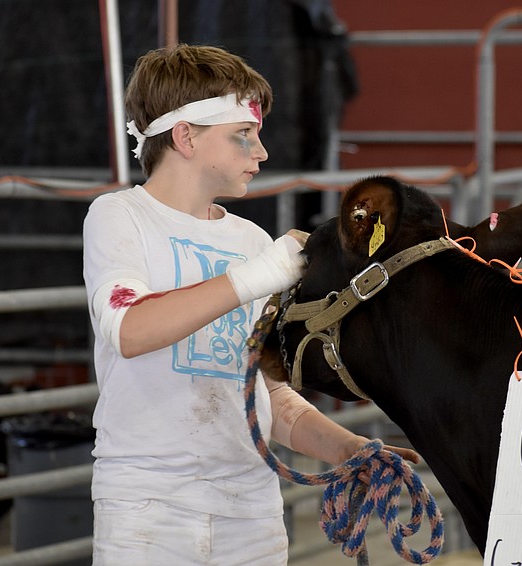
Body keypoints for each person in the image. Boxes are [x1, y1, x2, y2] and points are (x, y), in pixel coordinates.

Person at [83, 44, 417, 565]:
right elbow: (129, 328)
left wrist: (347, 449)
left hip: (251, 510)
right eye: (243, 135)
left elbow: (265, 395)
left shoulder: (253, 241)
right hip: (148, 505)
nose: (260, 153)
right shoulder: (120, 216)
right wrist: (259, 275)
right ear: (185, 136)